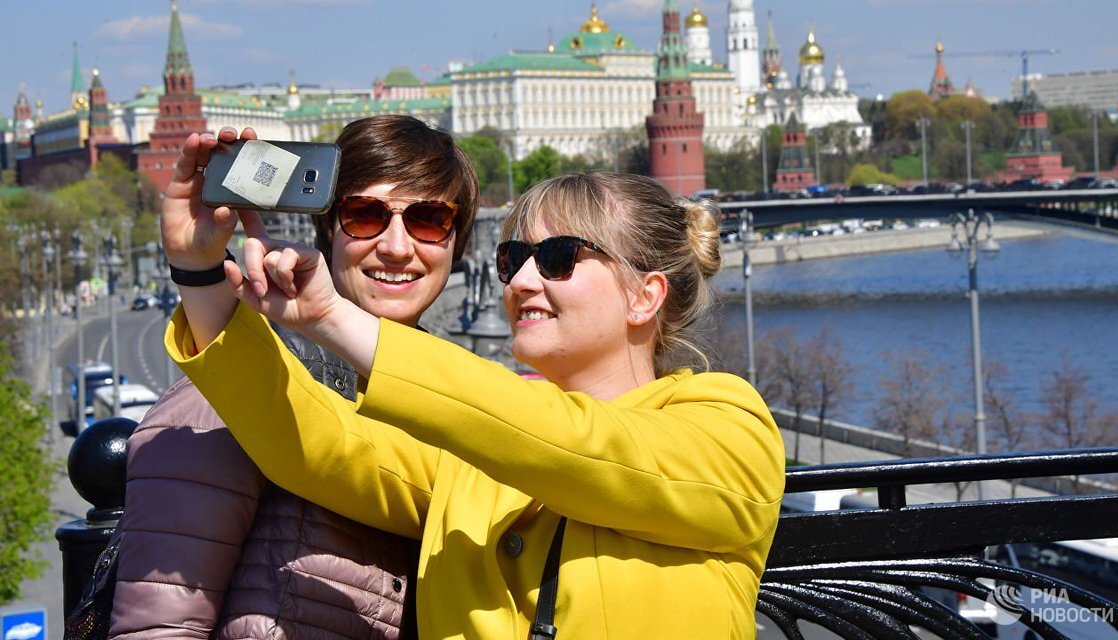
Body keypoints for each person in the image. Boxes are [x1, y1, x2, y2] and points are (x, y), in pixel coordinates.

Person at [163, 130, 785, 638]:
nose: (520, 283)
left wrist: (333, 317)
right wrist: (198, 271)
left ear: (645, 296)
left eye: (559, 258)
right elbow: (317, 443)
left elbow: (578, 446)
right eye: (513, 260)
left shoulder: (727, 426)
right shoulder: (473, 448)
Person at [109, 115, 478, 640]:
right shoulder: (241, 378)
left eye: (428, 219)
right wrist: (198, 269)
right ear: (327, 227)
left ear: (456, 242)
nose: (397, 247)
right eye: (364, 215)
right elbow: (158, 624)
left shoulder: (463, 395)